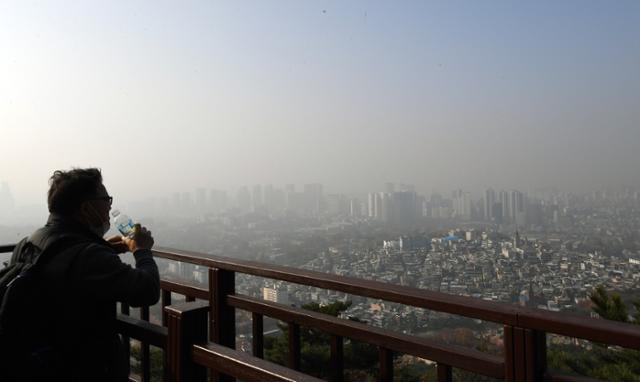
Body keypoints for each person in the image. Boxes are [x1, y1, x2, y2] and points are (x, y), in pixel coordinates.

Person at [4, 168, 160, 381]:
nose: (110, 207)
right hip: (82, 368)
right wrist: (142, 251)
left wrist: (101, 246)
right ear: (87, 208)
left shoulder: (28, 243)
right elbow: (146, 291)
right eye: (106, 199)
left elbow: (63, 268)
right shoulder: (88, 256)